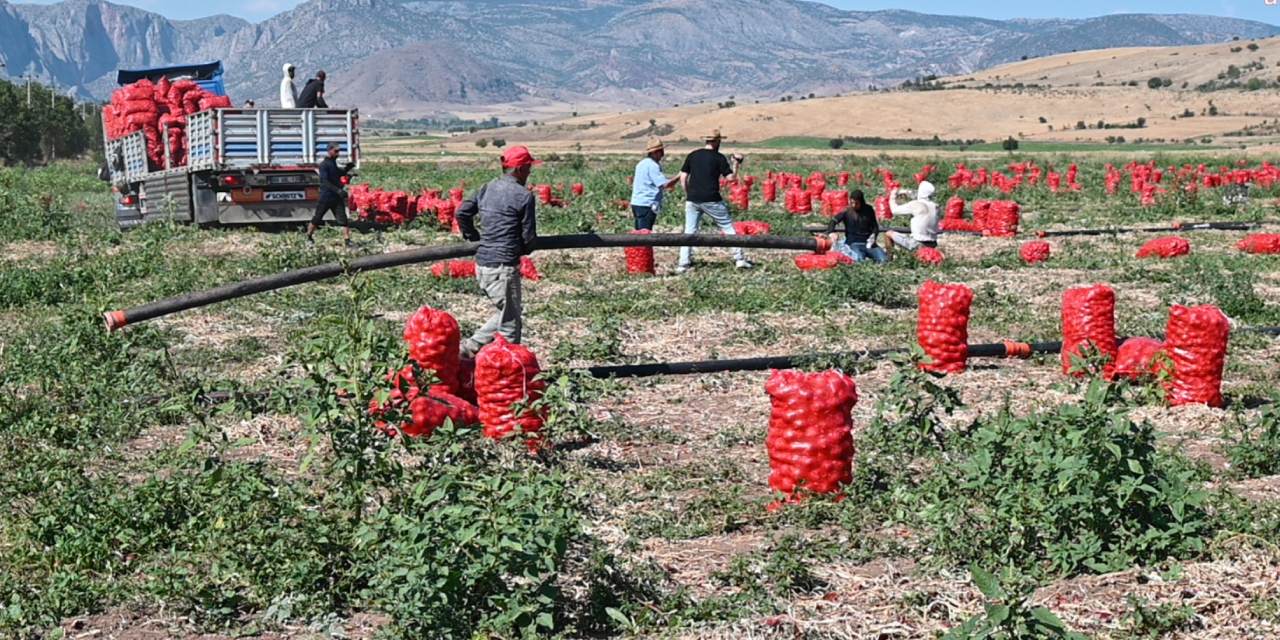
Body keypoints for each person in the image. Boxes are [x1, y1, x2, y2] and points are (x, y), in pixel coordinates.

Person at [457, 145, 540, 357]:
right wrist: (522, 247)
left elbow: (462, 213)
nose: (530, 172)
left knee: (507, 312)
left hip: (482, 264)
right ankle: (506, 365)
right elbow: (529, 239)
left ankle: (471, 348)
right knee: (510, 324)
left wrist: (473, 236)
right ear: (520, 169)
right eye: (529, 168)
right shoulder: (523, 196)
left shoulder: (486, 188)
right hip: (503, 266)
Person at [675, 129, 752, 273]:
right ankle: (739, 259)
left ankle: (683, 263)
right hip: (712, 199)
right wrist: (735, 164)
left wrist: (688, 193)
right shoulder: (719, 158)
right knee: (728, 228)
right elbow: (731, 179)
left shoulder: (693, 155)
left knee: (689, 231)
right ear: (717, 141)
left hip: (693, 199)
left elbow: (683, 177)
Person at [306, 142, 354, 247]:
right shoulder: (324, 165)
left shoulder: (333, 162)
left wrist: (347, 169)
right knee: (317, 218)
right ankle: (309, 237)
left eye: (339, 151)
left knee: (343, 219)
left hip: (336, 197)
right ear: (329, 151)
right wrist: (338, 190)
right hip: (326, 196)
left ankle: (347, 241)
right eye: (336, 151)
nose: (338, 153)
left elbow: (337, 172)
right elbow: (325, 181)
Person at [823, 189, 887, 264]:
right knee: (859, 260)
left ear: (861, 202)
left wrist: (874, 235)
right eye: (852, 202)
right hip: (853, 243)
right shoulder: (847, 211)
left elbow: (875, 227)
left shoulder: (869, 210)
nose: (854, 205)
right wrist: (831, 232)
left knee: (883, 259)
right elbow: (833, 221)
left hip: (868, 243)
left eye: (856, 203)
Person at [628, 138, 680, 230]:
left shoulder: (641, 163)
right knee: (645, 233)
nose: (662, 154)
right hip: (647, 204)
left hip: (637, 202)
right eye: (661, 151)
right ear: (655, 152)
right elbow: (665, 185)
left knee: (638, 232)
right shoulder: (653, 166)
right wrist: (679, 176)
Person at [883, 180, 940, 254]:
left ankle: (889, 259)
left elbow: (894, 210)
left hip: (917, 243)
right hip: (933, 243)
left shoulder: (916, 204)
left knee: (888, 233)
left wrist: (892, 195)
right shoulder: (936, 206)